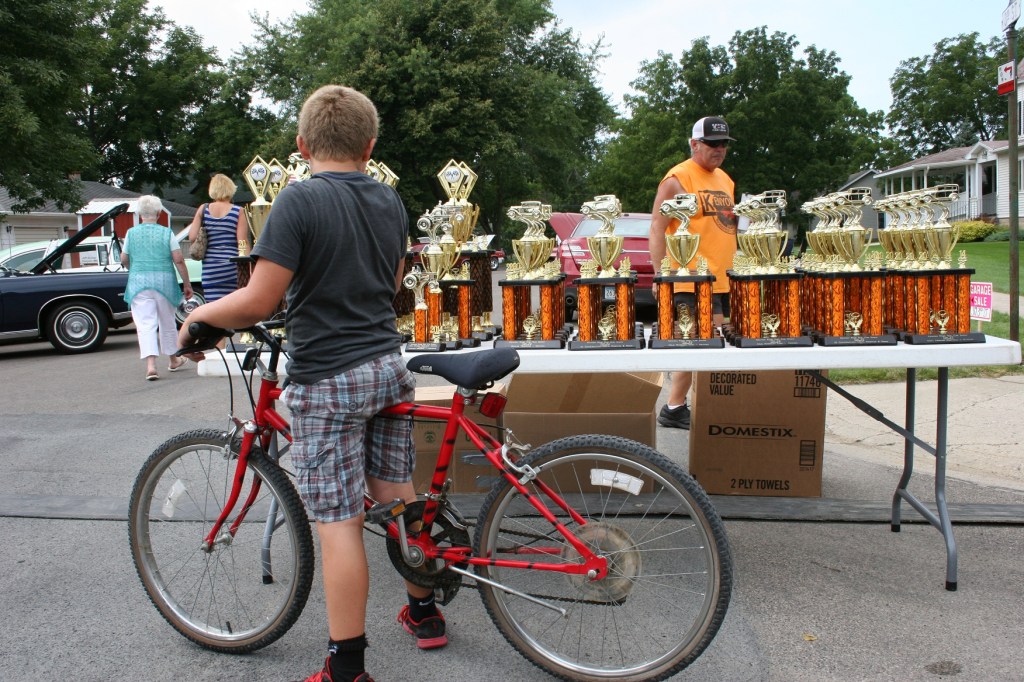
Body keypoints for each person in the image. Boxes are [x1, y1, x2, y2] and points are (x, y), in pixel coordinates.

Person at [178, 85, 442, 682]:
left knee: (340, 523)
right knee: (398, 492)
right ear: (370, 146)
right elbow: (393, 281)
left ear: (301, 146)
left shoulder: (297, 201)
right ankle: (423, 614)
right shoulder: (389, 200)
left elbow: (260, 299)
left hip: (329, 375)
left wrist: (201, 317)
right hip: (386, 366)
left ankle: (346, 669)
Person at [648, 116, 738, 429]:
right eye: (713, 143)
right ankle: (688, 407)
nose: (720, 149)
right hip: (689, 279)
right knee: (703, 344)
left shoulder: (726, 180)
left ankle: (675, 407)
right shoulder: (677, 178)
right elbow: (658, 228)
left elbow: (725, 228)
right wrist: (660, 276)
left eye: (724, 143)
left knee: (707, 344)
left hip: (723, 279)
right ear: (694, 144)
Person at [122, 195, 194, 380]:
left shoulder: (131, 233)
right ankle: (173, 359)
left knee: (145, 324)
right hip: (164, 282)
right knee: (167, 322)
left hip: (139, 283)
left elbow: (124, 258)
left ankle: (151, 365)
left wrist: (134, 269)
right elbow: (178, 259)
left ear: (139, 214)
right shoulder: (166, 233)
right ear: (159, 212)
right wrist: (186, 284)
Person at [187, 173, 250, 303]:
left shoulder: (203, 209)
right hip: (231, 266)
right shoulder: (239, 211)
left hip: (211, 268)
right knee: (233, 305)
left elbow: (192, 236)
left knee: (214, 306)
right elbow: (242, 242)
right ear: (230, 189)